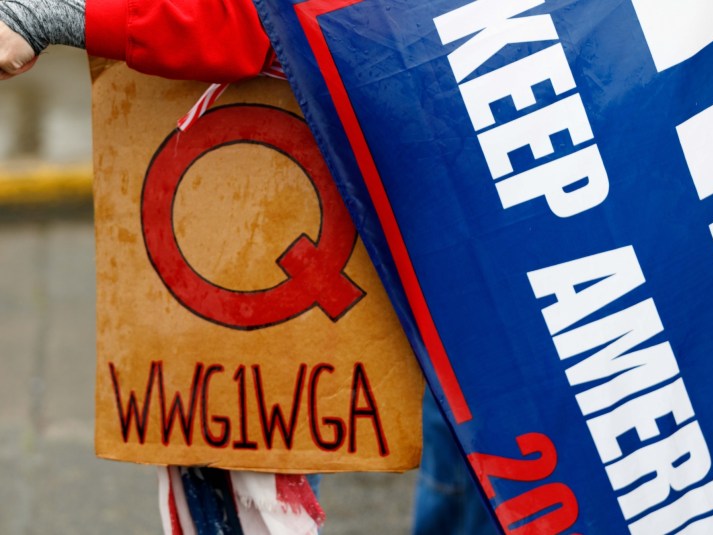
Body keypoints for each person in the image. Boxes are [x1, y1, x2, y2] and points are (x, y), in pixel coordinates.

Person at [0, 1, 498, 533]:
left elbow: (265, 19)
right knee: (490, 423)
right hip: (471, 130)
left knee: (245, 460)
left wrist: (56, 16)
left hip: (292, 161)